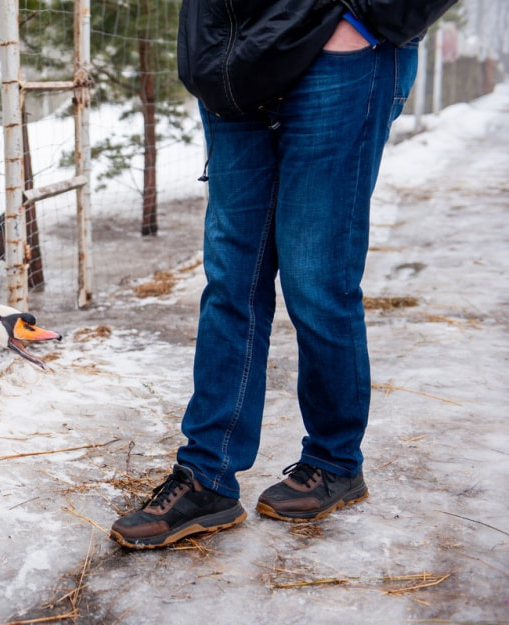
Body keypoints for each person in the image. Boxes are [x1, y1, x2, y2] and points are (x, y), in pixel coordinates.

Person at [110, 0, 457, 549]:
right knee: (231, 284)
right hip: (234, 66)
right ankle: (207, 478)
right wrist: (207, 54)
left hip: (338, 61)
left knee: (315, 280)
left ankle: (334, 460)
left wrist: (368, 20)